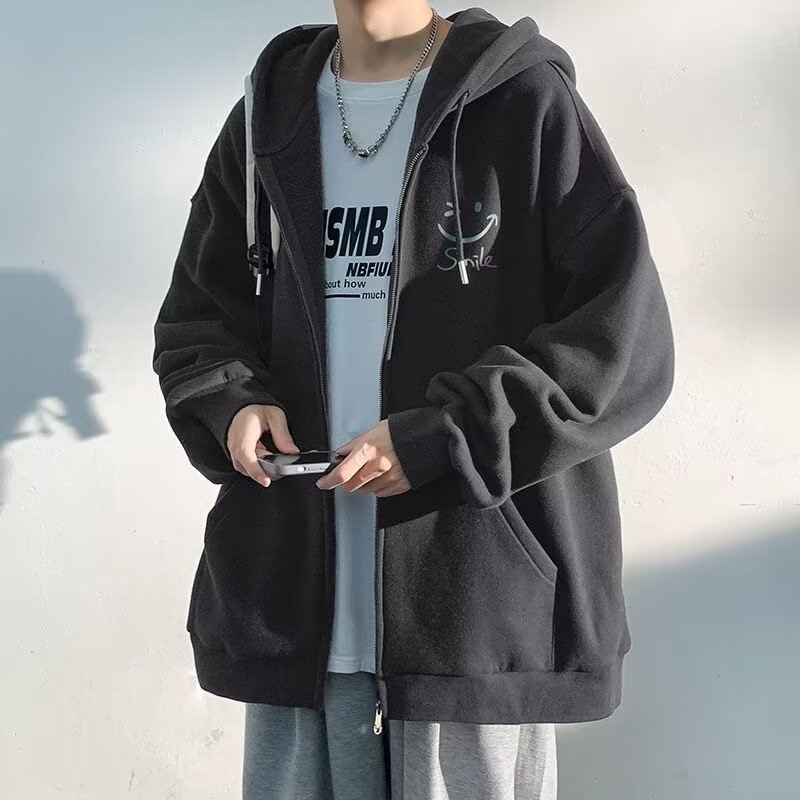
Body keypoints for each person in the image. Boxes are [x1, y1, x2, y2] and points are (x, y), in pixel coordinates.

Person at [151, 3, 675, 798]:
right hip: (299, 615)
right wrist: (234, 403)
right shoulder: (269, 117)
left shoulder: (522, 101)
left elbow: (623, 342)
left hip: (471, 615)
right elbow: (200, 317)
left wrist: (448, 437)